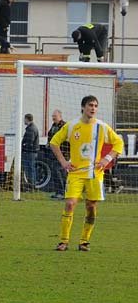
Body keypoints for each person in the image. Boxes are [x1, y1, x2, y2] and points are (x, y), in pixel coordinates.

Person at [50, 95, 124, 252]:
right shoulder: (72, 126)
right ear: (83, 107)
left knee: (91, 207)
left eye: (96, 106)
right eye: (90, 105)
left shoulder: (101, 127)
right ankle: (63, 241)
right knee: (70, 204)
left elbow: (119, 143)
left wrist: (106, 159)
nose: (93, 108)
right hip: (75, 173)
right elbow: (54, 142)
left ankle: (84, 241)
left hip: (94, 174)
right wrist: (64, 162)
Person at [47, 109, 68, 199]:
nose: (53, 118)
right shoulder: (53, 126)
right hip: (54, 154)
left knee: (59, 172)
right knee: (55, 172)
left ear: (60, 116)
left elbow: (66, 141)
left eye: (55, 116)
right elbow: (51, 136)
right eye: (52, 116)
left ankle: (62, 192)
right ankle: (58, 192)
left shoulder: (64, 126)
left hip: (62, 154)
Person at [22, 113, 39, 189]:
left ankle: (31, 185)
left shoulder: (31, 129)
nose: (23, 121)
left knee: (29, 169)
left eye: (24, 119)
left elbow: (29, 142)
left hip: (30, 152)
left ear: (27, 119)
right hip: (31, 152)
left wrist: (23, 146)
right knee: (30, 169)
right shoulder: (31, 128)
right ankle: (31, 185)